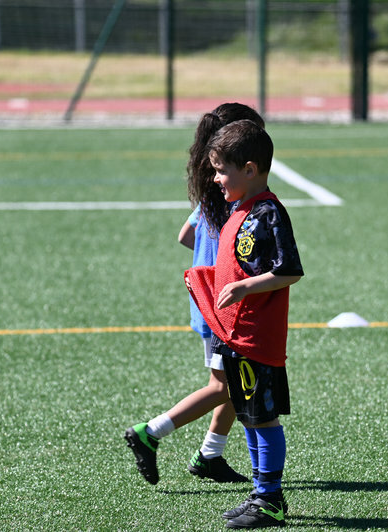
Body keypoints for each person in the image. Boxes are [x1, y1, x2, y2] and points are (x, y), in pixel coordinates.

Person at [124, 103, 265, 485]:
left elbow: (185, 236)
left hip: (211, 301)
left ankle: (209, 455)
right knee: (224, 386)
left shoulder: (212, 194)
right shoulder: (235, 199)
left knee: (235, 385)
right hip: (223, 308)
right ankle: (150, 432)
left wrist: (210, 263)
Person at [185, 119, 303, 529]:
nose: (216, 179)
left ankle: (269, 498)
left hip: (255, 338)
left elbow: (289, 270)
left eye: (222, 171)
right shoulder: (240, 209)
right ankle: (261, 493)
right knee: (250, 417)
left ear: (250, 170)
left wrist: (242, 287)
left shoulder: (269, 213)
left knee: (263, 418)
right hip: (233, 336)